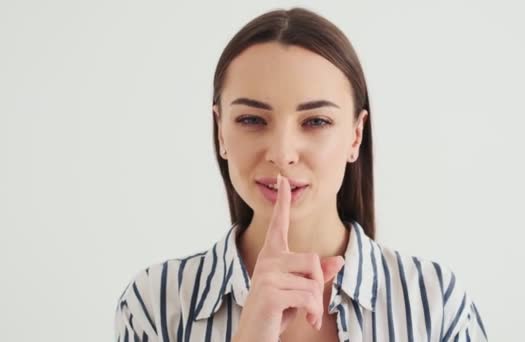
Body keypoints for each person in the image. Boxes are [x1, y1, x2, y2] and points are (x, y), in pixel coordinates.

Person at [114, 7, 488, 342]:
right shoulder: (156, 306)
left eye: (316, 121)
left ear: (355, 136)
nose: (281, 154)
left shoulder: (435, 303)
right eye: (251, 119)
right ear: (220, 131)